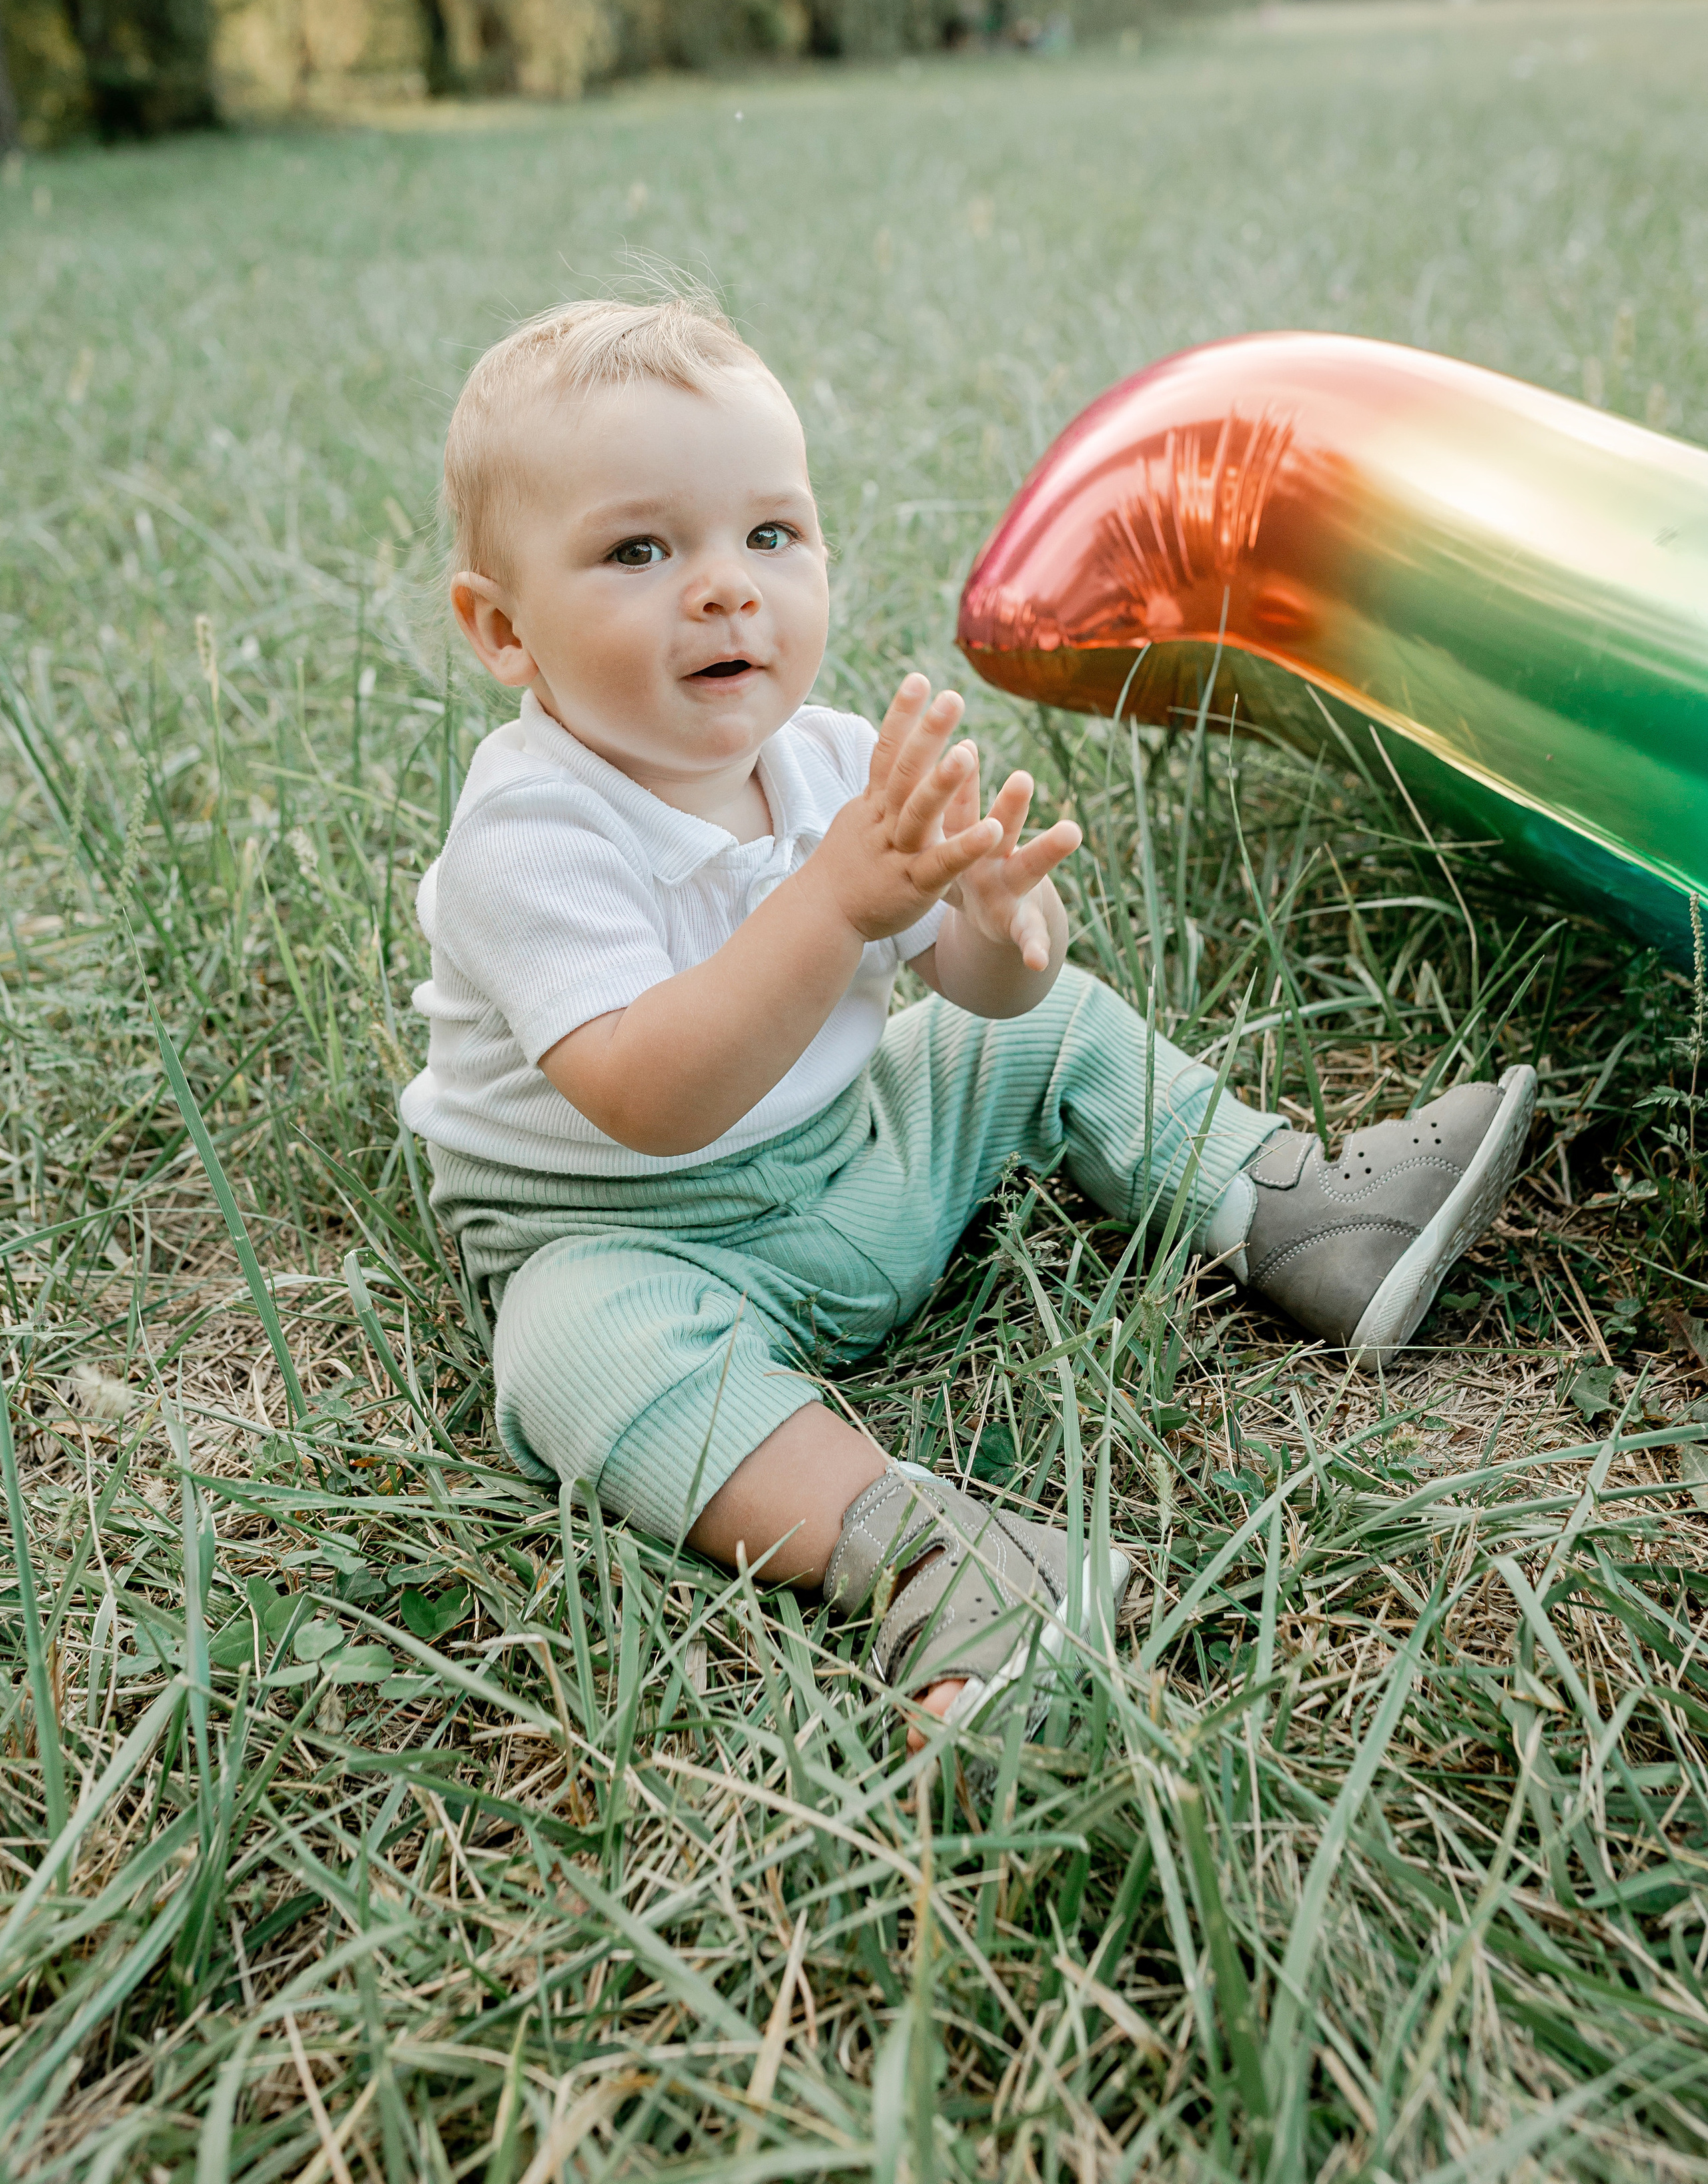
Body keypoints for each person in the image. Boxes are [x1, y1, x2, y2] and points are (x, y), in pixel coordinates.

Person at [402, 295, 1535, 1749]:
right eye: (639, 550)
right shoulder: (527, 836)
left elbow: (977, 989)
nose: (725, 589)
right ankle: (930, 1555)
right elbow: (647, 1093)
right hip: (641, 1240)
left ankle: (1297, 1211)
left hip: (855, 1153)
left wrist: (996, 934)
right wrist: (831, 905)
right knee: (564, 1353)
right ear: (501, 629)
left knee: (1043, 1027)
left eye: (769, 535)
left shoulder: (830, 764)